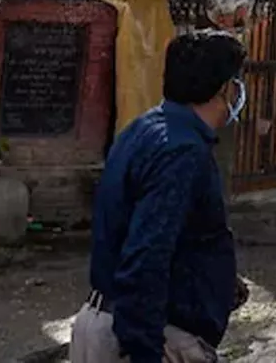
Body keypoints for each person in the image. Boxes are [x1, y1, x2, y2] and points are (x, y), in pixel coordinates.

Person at [70, 30, 251, 363]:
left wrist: (217, 280)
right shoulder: (182, 152)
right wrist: (145, 350)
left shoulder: (144, 130)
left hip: (110, 322)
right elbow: (146, 255)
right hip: (144, 336)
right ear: (226, 88)